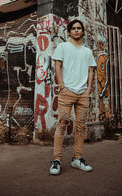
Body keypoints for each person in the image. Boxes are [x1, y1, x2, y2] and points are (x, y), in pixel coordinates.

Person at [50, 19, 97, 175]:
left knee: (81, 126)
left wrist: (89, 88)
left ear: (82, 31)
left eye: (79, 28)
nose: (77, 30)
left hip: (83, 93)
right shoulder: (63, 47)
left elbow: (91, 70)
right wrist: (62, 85)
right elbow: (57, 65)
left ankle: (77, 159)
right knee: (62, 124)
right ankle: (56, 160)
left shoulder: (87, 51)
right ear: (69, 32)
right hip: (67, 91)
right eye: (74, 28)